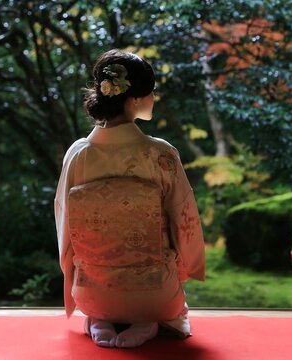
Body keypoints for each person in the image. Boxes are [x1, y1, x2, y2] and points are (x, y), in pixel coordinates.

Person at [54, 49, 205, 348]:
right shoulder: (160, 154)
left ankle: (99, 317)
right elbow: (183, 218)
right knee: (162, 300)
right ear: (133, 99)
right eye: (150, 92)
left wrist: (74, 275)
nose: (153, 98)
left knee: (98, 294)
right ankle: (147, 319)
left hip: (90, 290)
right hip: (155, 292)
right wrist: (184, 269)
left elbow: (65, 225)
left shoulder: (78, 154)